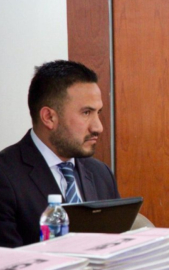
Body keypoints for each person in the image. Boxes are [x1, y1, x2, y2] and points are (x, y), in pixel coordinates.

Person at [0, 60, 120, 247]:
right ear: (49, 117)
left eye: (99, 112)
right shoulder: (5, 175)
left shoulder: (101, 174)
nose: (98, 127)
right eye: (86, 112)